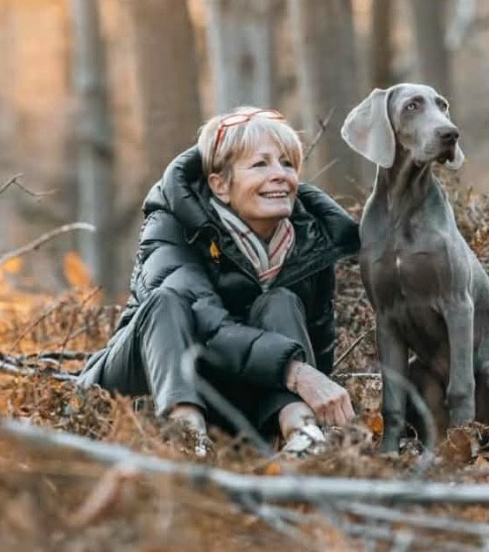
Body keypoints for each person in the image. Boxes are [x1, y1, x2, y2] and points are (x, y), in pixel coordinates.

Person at [77, 107, 359, 456]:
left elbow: (317, 346)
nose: (280, 175)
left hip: (236, 399)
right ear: (221, 185)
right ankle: (185, 438)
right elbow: (205, 326)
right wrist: (295, 371)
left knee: (281, 301)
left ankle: (303, 437)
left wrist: (321, 393)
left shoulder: (308, 239)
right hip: (146, 384)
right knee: (166, 302)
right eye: (261, 164)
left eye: (287, 164)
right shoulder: (173, 223)